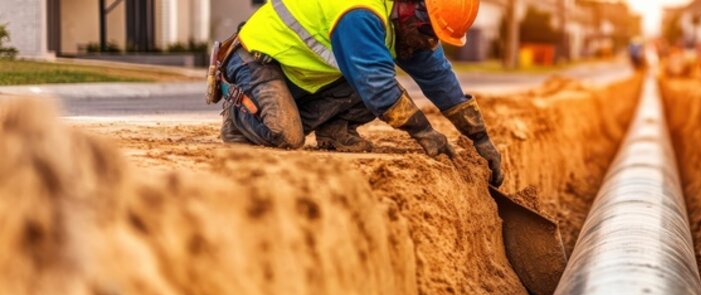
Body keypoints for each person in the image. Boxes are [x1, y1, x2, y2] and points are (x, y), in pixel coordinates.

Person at [205, 0, 504, 187]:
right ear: (413, 8)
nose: (430, 44)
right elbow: (380, 89)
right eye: (430, 34)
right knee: (285, 135)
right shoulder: (360, 13)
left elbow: (440, 79)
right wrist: (427, 135)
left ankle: (333, 130)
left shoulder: (407, 24)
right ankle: (238, 115)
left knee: (375, 81)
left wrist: (481, 139)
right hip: (255, 59)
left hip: (296, 74)